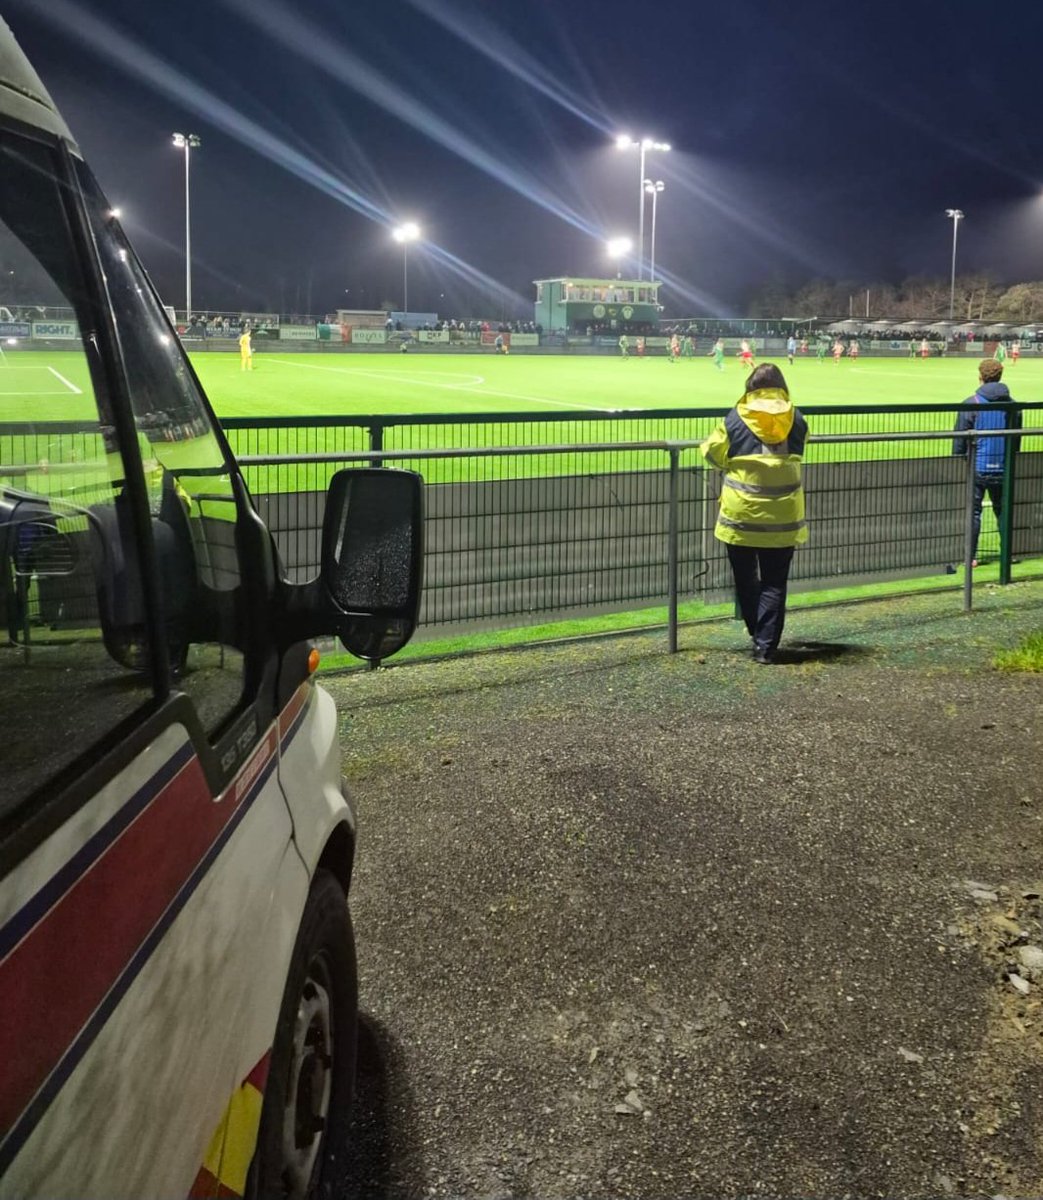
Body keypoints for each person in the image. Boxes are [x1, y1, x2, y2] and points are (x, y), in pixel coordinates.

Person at [701, 362, 808, 665]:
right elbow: (800, 448)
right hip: (783, 518)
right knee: (775, 582)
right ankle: (766, 647)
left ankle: (756, 634)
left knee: (745, 579)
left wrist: (730, 463)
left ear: (751, 387)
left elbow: (712, 451)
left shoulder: (736, 417)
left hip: (741, 516)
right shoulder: (796, 418)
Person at [952, 357, 1021, 566]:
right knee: (1003, 509)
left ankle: (970, 557)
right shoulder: (1013, 406)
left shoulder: (971, 403)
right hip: (1004, 466)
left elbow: (959, 440)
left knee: (973, 512)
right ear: (1000, 376)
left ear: (980, 376)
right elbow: (1016, 440)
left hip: (977, 466)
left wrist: (958, 458)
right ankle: (1008, 553)